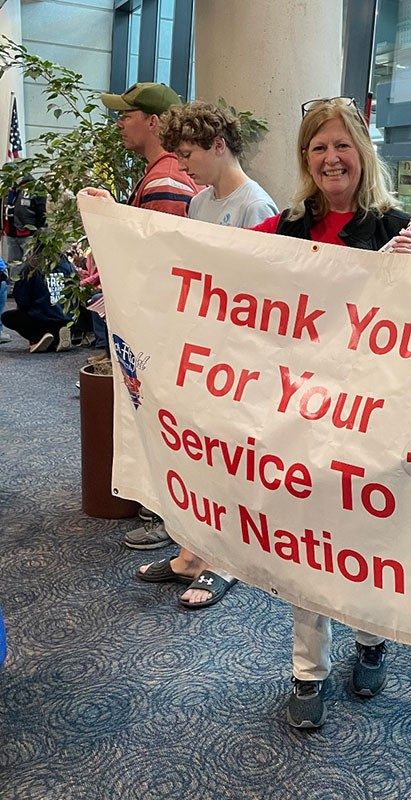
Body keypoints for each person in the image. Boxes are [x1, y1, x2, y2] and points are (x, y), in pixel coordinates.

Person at [250, 96, 411, 729]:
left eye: (341, 144)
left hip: (370, 416)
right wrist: (114, 227)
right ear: (305, 158)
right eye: (317, 147)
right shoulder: (284, 227)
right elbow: (208, 267)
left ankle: (372, 641)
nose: (330, 157)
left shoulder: (397, 228)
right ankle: (307, 670)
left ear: (362, 152)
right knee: (306, 542)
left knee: (363, 540)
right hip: (300, 413)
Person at [132, 100, 278, 609]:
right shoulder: (201, 202)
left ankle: (225, 563)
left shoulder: (257, 207)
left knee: (230, 462)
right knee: (198, 456)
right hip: (202, 350)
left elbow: (261, 297)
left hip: (238, 358)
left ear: (219, 145)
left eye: (190, 153)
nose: (184, 164)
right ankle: (192, 553)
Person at [89, 82, 199, 551]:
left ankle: (168, 517)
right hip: (160, 331)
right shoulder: (161, 175)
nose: (119, 123)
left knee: (158, 417)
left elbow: (163, 272)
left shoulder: (165, 182)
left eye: (126, 115)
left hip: (161, 335)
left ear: (154, 122)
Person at [1, 254, 75, 353]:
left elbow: (22, 299)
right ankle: (61, 335)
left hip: (42, 319)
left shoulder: (31, 267)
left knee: (7, 317)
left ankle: (38, 337)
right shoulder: (67, 265)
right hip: (68, 318)